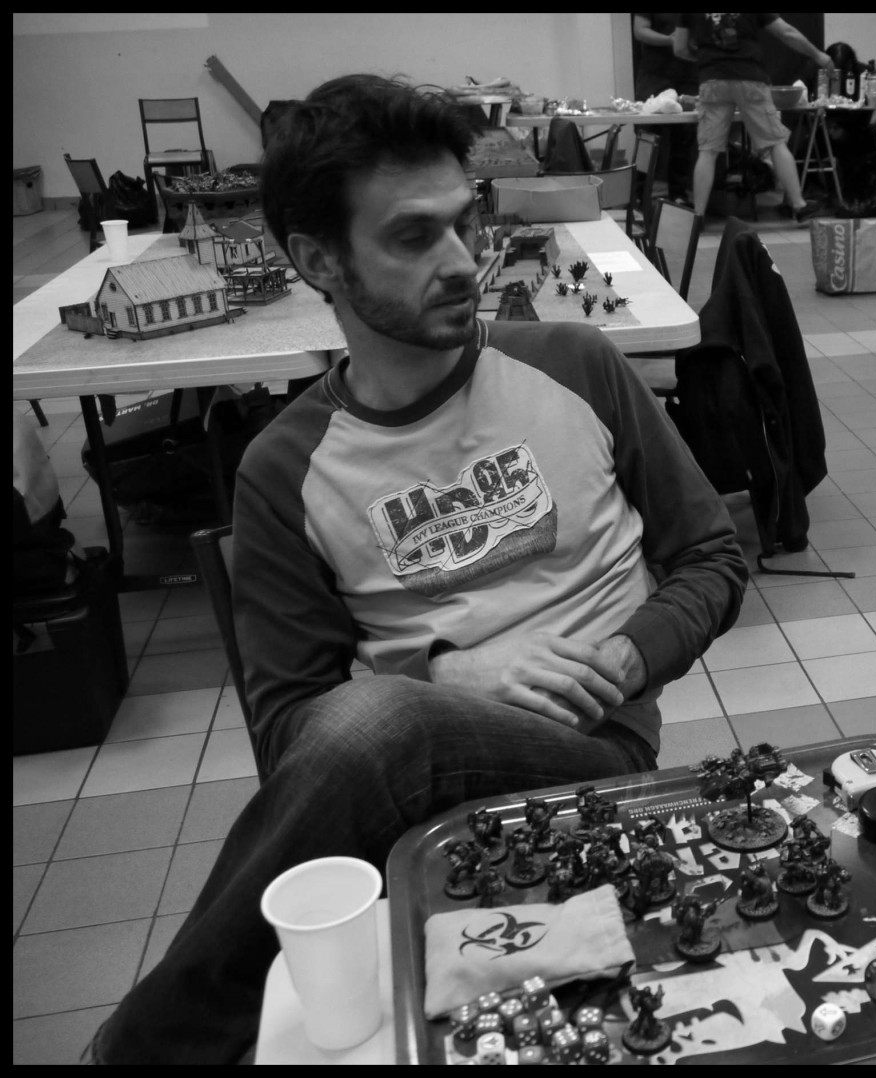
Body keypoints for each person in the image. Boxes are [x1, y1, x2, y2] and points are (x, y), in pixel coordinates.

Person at [91, 74, 747, 1063]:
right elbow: (292, 732)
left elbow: (712, 554)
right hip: (401, 789)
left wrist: (623, 656)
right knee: (379, 730)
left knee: (381, 730)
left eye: (463, 222)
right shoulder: (285, 467)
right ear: (319, 259)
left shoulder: (574, 364)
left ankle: (144, 1049)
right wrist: (443, 676)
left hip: (592, 754)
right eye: (411, 236)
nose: (460, 261)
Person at [672, 13, 833, 222]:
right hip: (750, 78)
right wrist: (818, 55)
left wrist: (706, 57)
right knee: (775, 143)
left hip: (712, 80)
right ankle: (798, 204)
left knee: (708, 151)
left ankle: (698, 216)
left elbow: (679, 48)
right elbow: (786, 32)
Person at [632, 13, 697, 202]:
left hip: (687, 75)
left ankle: (679, 195)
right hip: (654, 74)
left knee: (684, 136)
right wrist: (670, 40)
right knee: (648, 135)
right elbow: (640, 30)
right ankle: (640, 194)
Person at [821, 42, 876, 213]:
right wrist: (827, 126)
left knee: (866, 147)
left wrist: (871, 127)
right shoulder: (819, 73)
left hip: (860, 127)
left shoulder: (867, 73)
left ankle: (865, 197)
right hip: (830, 127)